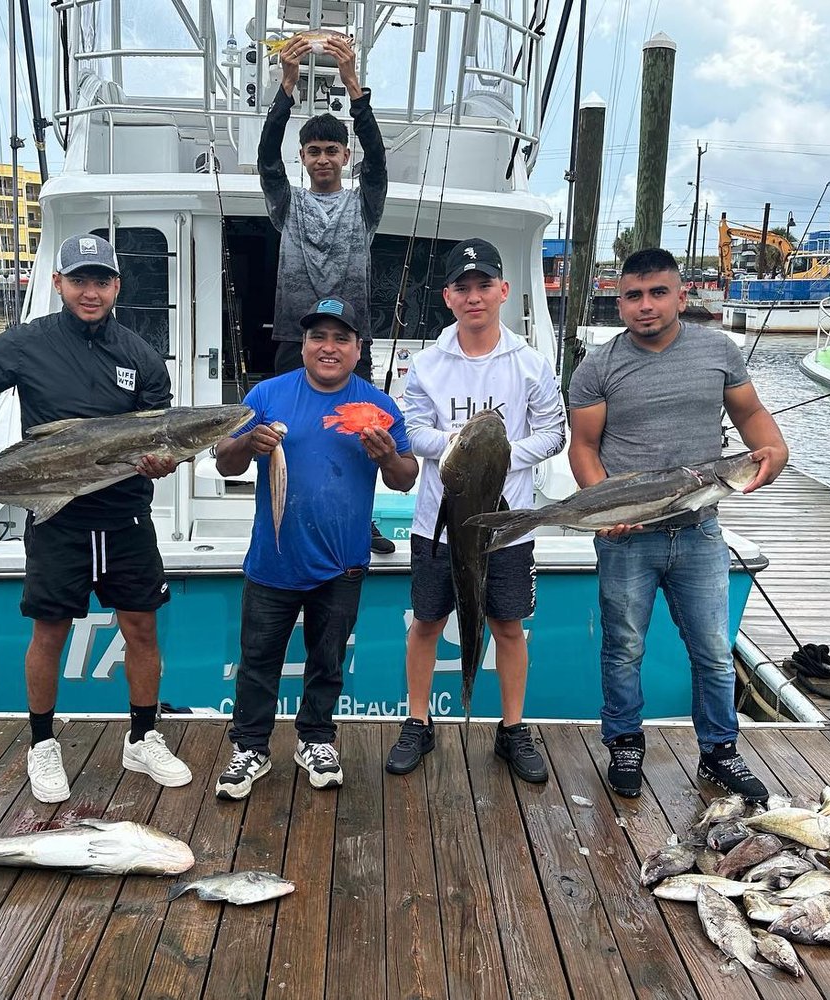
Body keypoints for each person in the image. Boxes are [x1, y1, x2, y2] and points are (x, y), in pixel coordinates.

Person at [0, 233, 191, 803]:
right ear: (58, 283)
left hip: (124, 516)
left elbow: (155, 433)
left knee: (140, 626)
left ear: (117, 286)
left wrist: (160, 464)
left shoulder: (141, 356)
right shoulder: (26, 344)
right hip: (56, 515)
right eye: (79, 280)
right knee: (50, 631)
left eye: (101, 281)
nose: (90, 292)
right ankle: (42, 744)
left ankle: (143, 737)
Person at [567, 247, 789, 802]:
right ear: (619, 302)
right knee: (623, 648)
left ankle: (720, 752)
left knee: (713, 649)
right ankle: (623, 741)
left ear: (681, 296)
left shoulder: (717, 350)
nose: (646, 306)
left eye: (658, 293)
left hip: (700, 533)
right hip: (629, 537)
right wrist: (604, 508)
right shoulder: (598, 366)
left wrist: (774, 449)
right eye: (633, 296)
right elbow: (584, 447)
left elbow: (751, 416)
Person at [213, 297, 417, 799]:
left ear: (358, 348)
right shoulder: (266, 394)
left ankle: (317, 738)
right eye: (317, 337)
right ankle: (251, 747)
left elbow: (407, 477)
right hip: (272, 560)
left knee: (327, 663)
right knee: (258, 662)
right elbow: (225, 463)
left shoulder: (379, 406)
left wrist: (388, 455)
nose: (328, 348)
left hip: (342, 565)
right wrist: (246, 443)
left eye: (340, 338)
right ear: (302, 345)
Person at [386, 239, 566, 783]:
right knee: (427, 622)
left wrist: (502, 455)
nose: (474, 296)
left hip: (509, 522)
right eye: (462, 288)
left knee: (507, 625)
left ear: (503, 291)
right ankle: (419, 721)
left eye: (484, 285)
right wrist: (461, 447)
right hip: (438, 521)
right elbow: (411, 431)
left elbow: (554, 433)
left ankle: (512, 729)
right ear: (447, 297)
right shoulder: (425, 365)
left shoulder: (532, 363)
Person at [259, 30, 395, 554]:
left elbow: (380, 162)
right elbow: (266, 157)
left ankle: (361, 518)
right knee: (284, 436)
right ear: (303, 156)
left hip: (351, 340)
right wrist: (286, 88)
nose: (322, 158)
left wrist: (354, 89)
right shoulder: (285, 203)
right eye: (313, 150)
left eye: (331, 150)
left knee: (357, 437)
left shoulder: (366, 205)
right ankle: (283, 513)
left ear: (344, 155)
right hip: (295, 338)